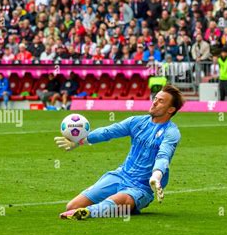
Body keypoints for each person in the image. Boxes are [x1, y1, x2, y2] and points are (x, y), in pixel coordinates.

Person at [55, 85, 185, 220]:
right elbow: (109, 131)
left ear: (171, 109)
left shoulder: (171, 132)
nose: (155, 102)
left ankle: (90, 212)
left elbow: (164, 156)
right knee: (72, 206)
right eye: (155, 98)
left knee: (124, 199)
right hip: (120, 176)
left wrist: (156, 176)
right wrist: (79, 141)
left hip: (141, 187)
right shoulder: (136, 121)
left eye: (161, 101)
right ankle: (121, 207)